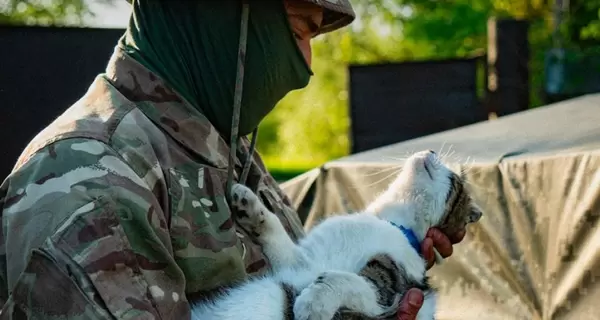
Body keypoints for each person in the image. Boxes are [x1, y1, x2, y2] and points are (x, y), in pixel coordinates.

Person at [0, 0, 466, 319]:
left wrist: (388, 256)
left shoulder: (220, 150)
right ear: (219, 14)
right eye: (300, 30)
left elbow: (296, 278)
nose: (305, 65)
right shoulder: (90, 183)